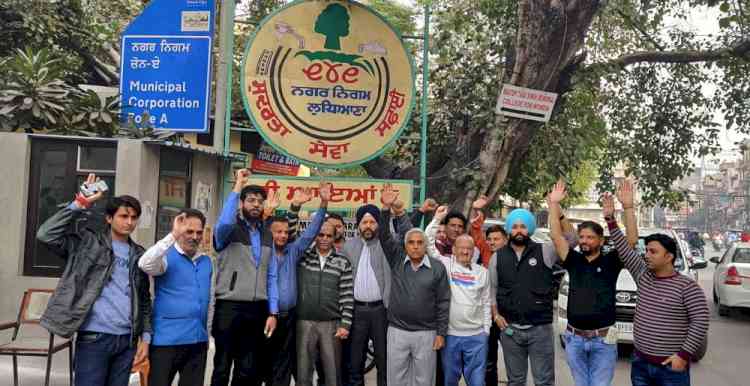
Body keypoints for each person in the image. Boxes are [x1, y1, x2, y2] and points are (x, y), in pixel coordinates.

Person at [37, 174, 151, 386]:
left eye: (134, 217)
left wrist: (145, 337)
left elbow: (144, 299)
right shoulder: (87, 243)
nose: (129, 222)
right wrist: (80, 203)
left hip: (127, 340)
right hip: (94, 337)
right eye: (123, 216)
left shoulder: (139, 254)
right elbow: (46, 235)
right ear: (109, 218)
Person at [604, 181, 709, 386]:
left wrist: (683, 355)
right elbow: (624, 249)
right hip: (641, 363)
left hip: (671, 368)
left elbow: (701, 321)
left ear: (669, 256)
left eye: (653, 252)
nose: (647, 255)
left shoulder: (686, 287)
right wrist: (613, 216)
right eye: (646, 250)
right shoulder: (643, 276)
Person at [547, 181, 622, 386]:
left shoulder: (611, 261)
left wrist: (617, 214)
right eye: (582, 237)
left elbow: (631, 241)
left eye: (590, 237)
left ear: (601, 240)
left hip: (603, 340)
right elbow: (556, 235)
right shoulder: (574, 260)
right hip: (574, 339)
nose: (585, 241)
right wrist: (554, 205)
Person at [211, 168, 279, 386]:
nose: (256, 205)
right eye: (250, 200)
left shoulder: (267, 234)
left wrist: (273, 311)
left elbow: (272, 276)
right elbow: (224, 222)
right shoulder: (229, 230)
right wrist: (238, 184)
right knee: (222, 367)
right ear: (241, 204)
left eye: (260, 201)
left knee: (248, 370)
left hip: (257, 309)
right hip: (229, 307)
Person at [378, 188, 451, 386]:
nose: (416, 246)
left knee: (424, 380)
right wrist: (385, 208)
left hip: (426, 334)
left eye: (420, 242)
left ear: (426, 245)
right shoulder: (397, 260)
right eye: (411, 242)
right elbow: (384, 235)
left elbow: (444, 302)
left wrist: (441, 334)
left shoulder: (437, 268)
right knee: (396, 379)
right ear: (405, 245)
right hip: (397, 331)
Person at [261, 184, 330, 386]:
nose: (282, 235)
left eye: (285, 232)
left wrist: (323, 203)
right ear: (270, 233)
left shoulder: (293, 251)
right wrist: (269, 212)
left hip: (289, 318)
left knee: (284, 363)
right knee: (263, 363)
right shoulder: (263, 252)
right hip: (266, 316)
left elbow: (311, 232)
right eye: (278, 232)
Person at [494, 207, 570, 386]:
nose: (519, 230)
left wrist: (557, 212)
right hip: (510, 331)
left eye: (523, 226)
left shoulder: (545, 251)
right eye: (514, 226)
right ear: (508, 230)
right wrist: (495, 315)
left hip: (540, 331)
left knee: (544, 381)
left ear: (530, 228)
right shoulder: (498, 257)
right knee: (515, 381)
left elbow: (571, 240)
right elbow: (491, 290)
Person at [138, 209, 213, 386]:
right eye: (189, 231)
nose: (194, 236)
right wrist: (173, 234)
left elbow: (209, 301)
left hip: (197, 341)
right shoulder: (165, 257)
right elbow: (144, 263)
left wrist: (207, 334)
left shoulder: (206, 262)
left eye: (198, 232)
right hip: (166, 342)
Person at [343, 195, 409, 386]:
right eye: (365, 222)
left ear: (378, 224)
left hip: (381, 311)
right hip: (356, 312)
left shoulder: (387, 244)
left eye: (373, 221)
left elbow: (406, 234)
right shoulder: (349, 246)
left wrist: (397, 211)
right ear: (358, 225)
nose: (369, 226)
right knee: (355, 362)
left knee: (384, 361)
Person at [426, 207, 491, 386]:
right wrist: (437, 219)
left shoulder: (482, 273)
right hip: (451, 335)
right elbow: (428, 243)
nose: (465, 252)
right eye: (461, 248)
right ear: (454, 250)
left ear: (473, 251)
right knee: (449, 380)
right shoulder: (446, 265)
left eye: (469, 249)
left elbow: (486, 302)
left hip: (477, 336)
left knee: (477, 382)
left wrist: (486, 330)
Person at [296, 220, 354, 386]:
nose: (324, 239)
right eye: (320, 234)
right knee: (303, 372)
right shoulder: (303, 257)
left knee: (332, 374)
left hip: (331, 324)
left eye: (329, 235)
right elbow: (292, 235)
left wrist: (345, 324)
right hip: (304, 322)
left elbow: (347, 295)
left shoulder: (342, 262)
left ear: (334, 238)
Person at [479, 224, 508, 385]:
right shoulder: (480, 256)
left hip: (506, 318)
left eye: (496, 239)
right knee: (489, 362)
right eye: (489, 239)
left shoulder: (513, 258)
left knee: (513, 360)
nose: (492, 242)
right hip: (487, 318)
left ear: (505, 240)